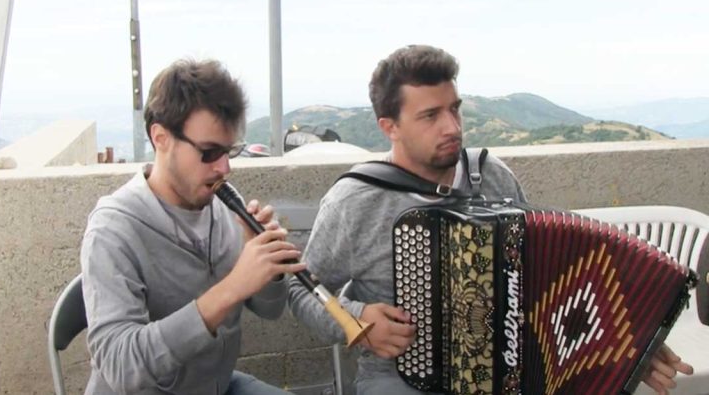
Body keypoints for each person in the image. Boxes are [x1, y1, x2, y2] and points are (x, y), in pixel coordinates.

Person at [287, 44, 693, 395]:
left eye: (455, 109)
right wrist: (355, 320)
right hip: (402, 378)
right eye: (431, 116)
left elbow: (548, 276)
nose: (452, 127)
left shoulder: (491, 174)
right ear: (389, 127)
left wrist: (633, 342)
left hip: (515, 368)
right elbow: (302, 288)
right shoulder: (356, 200)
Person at [80, 58, 306, 395]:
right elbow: (121, 367)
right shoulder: (113, 230)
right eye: (209, 152)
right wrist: (231, 287)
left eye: (229, 151)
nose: (224, 167)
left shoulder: (222, 205)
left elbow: (270, 310)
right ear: (161, 138)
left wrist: (266, 268)